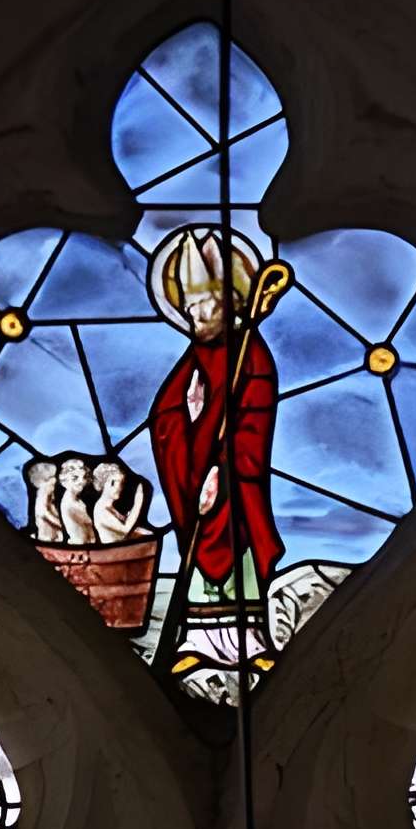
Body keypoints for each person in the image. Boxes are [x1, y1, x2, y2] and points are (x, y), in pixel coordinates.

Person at [147, 228, 282, 678]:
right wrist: (187, 415)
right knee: (201, 553)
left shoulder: (252, 354)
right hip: (195, 473)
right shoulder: (192, 360)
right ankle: (198, 641)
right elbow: (164, 416)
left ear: (231, 306)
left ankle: (250, 640)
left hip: (236, 480)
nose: (197, 316)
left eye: (207, 306)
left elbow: (255, 417)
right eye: (190, 309)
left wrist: (224, 471)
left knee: (236, 548)